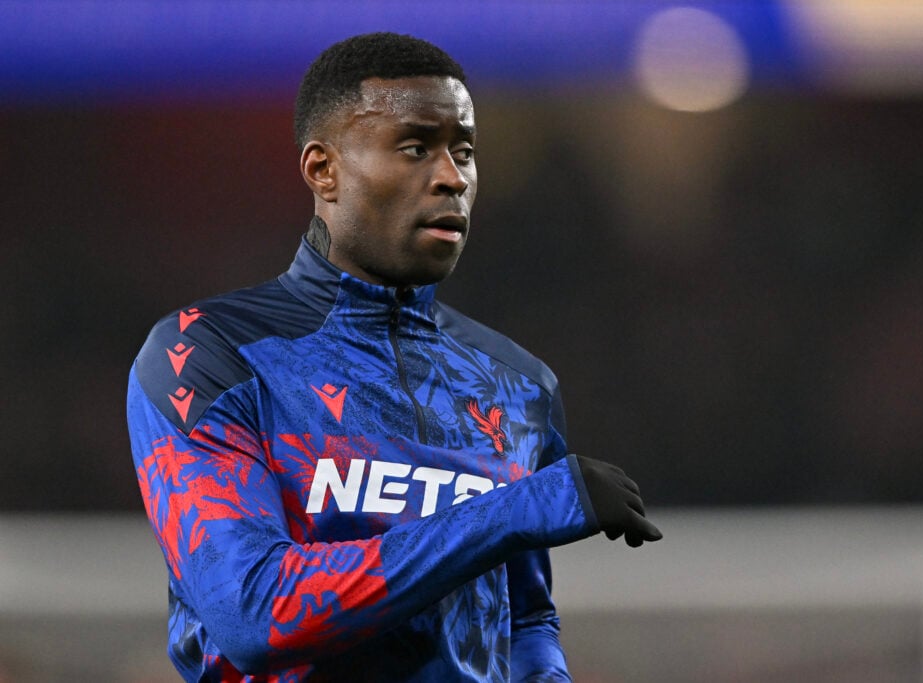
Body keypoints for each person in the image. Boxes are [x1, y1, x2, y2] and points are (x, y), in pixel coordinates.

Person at [127, 32, 661, 682]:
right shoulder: (207, 354)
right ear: (323, 169)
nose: (452, 176)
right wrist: (510, 510)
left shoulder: (519, 385)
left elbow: (521, 619)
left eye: (463, 151)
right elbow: (255, 614)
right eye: (415, 148)